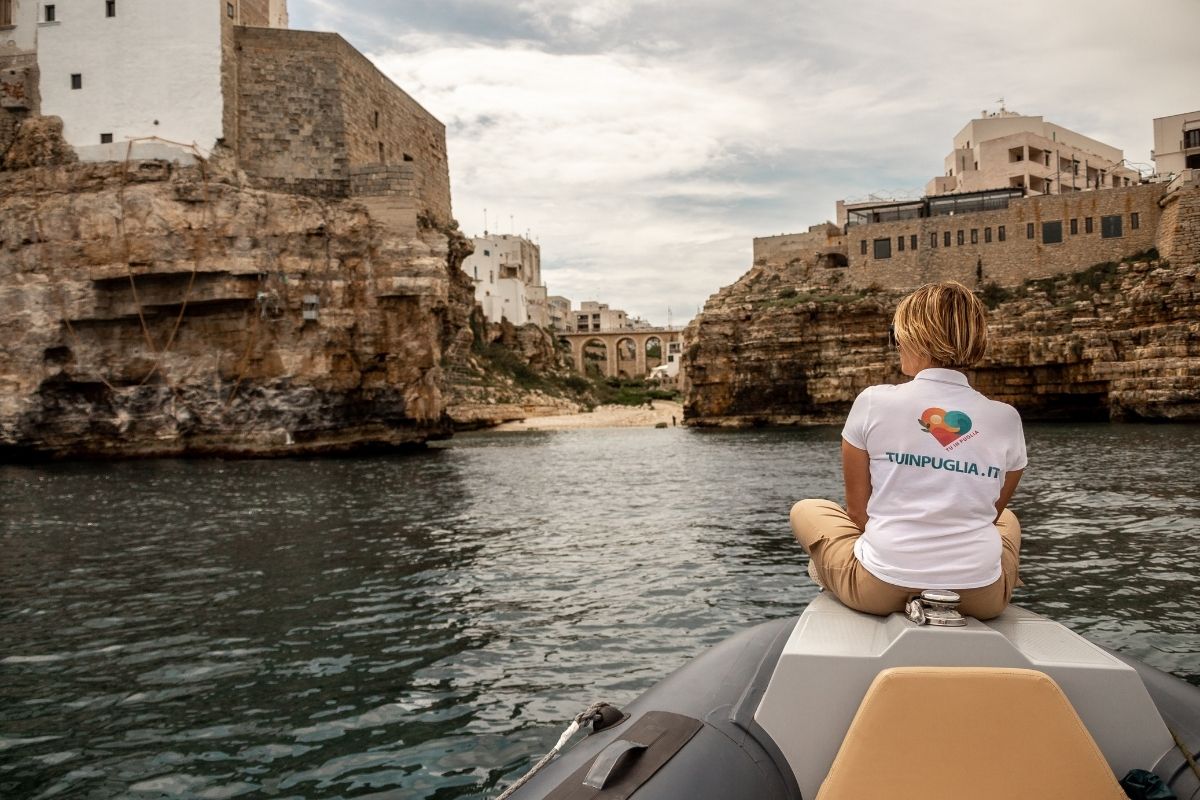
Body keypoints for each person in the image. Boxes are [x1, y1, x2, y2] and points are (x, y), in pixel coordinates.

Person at [790, 281, 1026, 620]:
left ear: (914, 336)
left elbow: (859, 515)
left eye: (896, 334)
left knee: (808, 509)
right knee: (1008, 522)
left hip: (878, 586)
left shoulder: (874, 402)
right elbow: (990, 513)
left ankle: (838, 570)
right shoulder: (1006, 419)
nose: (896, 343)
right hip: (981, 596)